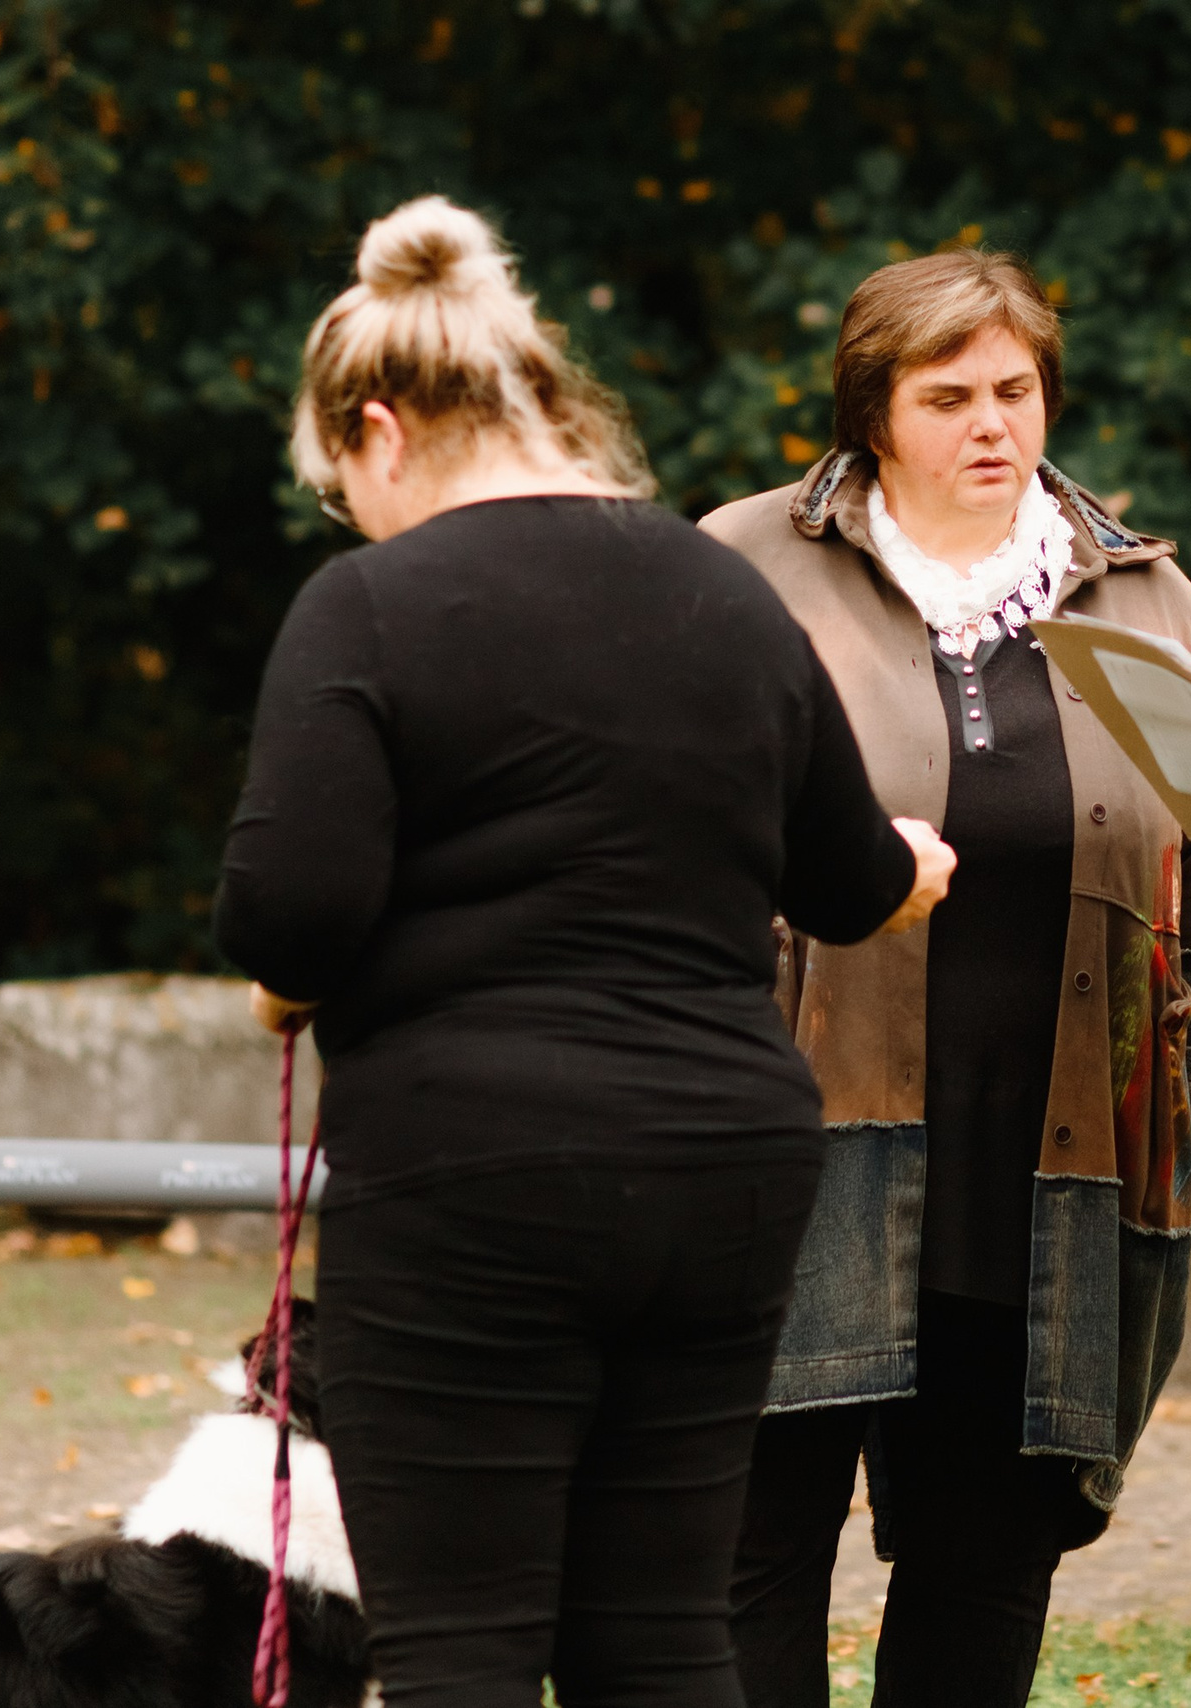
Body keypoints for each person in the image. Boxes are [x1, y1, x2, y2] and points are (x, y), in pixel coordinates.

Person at [212, 195, 956, 1707]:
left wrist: (290, 984)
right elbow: (848, 877)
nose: (347, 516)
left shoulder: (365, 608)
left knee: (464, 1649)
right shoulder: (726, 594)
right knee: (664, 1638)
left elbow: (292, 917)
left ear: (379, 428)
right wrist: (917, 868)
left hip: (472, 1181)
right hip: (723, 1175)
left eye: (339, 480)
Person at [701, 250, 1191, 1708]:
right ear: (872, 415)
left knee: (986, 1559)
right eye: (946, 395)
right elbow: (652, 829)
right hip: (791, 1144)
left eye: (1013, 390)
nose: (990, 425)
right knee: (744, 1549)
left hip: (1049, 1157)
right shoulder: (742, 565)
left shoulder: (1140, 591)